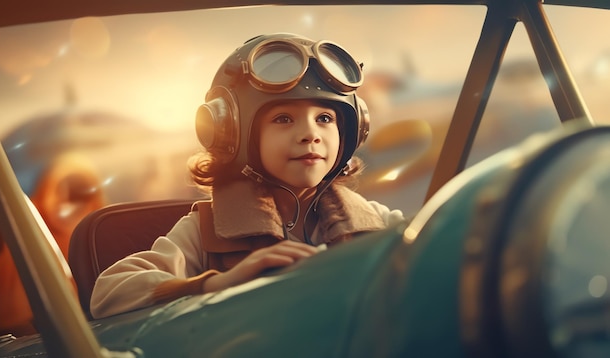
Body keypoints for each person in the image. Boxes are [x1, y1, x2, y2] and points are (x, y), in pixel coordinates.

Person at [90, 33, 405, 319]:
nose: (310, 134)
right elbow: (108, 294)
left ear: (352, 130)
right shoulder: (206, 232)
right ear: (233, 132)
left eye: (324, 118)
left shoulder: (376, 223)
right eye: (283, 119)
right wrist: (219, 284)